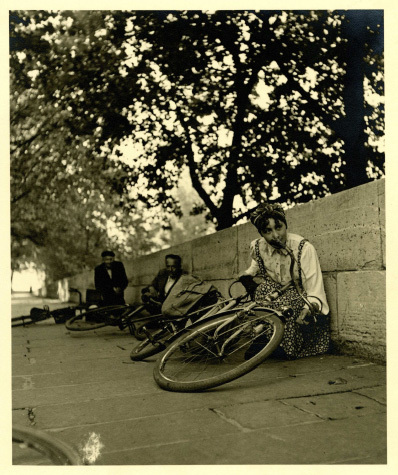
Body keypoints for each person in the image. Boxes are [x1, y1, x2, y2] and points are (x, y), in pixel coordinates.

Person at [239, 202, 330, 359]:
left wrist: (309, 308)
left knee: (284, 304)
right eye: (268, 231)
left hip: (300, 297)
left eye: (278, 228)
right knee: (263, 290)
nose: (275, 235)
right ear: (261, 233)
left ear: (285, 225)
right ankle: (264, 339)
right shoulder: (258, 247)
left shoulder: (303, 248)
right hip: (278, 292)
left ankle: (284, 346)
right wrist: (248, 275)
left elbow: (314, 288)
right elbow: (255, 265)